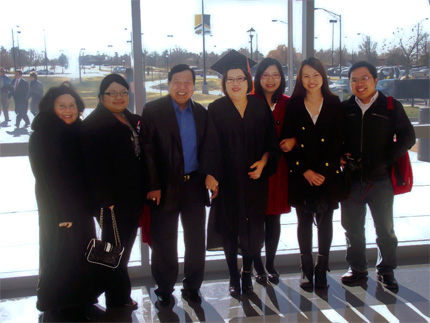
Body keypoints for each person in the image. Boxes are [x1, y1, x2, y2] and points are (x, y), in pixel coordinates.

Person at [202, 50, 280, 296]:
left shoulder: (259, 106)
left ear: (248, 81)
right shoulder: (216, 109)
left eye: (240, 79)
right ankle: (233, 276)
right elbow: (210, 145)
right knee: (229, 229)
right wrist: (211, 175)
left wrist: (264, 163)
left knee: (253, 229)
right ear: (224, 84)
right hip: (227, 182)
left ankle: (247, 273)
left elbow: (271, 143)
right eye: (230, 79)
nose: (235, 84)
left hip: (254, 180)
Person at [340, 61, 415, 290]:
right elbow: (335, 138)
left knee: (385, 229)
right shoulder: (345, 109)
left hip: (381, 178)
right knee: (352, 228)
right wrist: (341, 155)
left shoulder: (390, 106)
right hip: (351, 178)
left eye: (364, 78)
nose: (359, 84)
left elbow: (408, 137)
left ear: (374, 79)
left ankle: (386, 270)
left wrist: (387, 159)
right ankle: (357, 269)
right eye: (354, 80)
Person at [140, 64, 208, 306]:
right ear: (169, 84)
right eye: (177, 82)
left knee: (196, 239)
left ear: (193, 85)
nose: (182, 87)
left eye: (187, 82)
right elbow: (147, 150)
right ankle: (165, 288)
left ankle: (192, 286)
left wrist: (209, 175)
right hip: (164, 187)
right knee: (164, 240)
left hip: (194, 186)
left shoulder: (201, 112)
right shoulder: (153, 110)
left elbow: (207, 150)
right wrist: (153, 185)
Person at [28, 82, 98, 314]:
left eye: (72, 105)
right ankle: (56, 303)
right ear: (51, 108)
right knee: (59, 254)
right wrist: (61, 214)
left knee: (82, 253)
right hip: (57, 208)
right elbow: (46, 179)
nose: (68, 110)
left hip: (81, 207)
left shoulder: (79, 131)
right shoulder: (42, 136)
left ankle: (82, 299)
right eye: (62, 106)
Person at [280, 57, 344, 289]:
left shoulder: (335, 102)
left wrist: (324, 172)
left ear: (323, 77)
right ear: (300, 79)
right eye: (306, 76)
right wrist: (305, 171)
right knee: (304, 222)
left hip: (328, 174)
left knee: (326, 221)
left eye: (316, 75)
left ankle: (322, 267)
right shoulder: (294, 105)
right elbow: (285, 143)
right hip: (301, 173)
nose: (311, 80)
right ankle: (306, 268)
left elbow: (338, 142)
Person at [81, 74, 144, 309]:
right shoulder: (93, 125)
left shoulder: (129, 119)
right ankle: (117, 298)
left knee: (122, 249)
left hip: (131, 197)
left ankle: (109, 292)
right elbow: (91, 167)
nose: (119, 97)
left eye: (123, 92)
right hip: (111, 202)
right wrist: (105, 200)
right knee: (115, 250)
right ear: (101, 97)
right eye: (112, 93)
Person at [251, 57, 292, 285]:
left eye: (275, 75)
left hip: (279, 168)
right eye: (265, 75)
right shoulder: (248, 101)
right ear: (258, 78)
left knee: (273, 217)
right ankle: (257, 266)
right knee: (256, 219)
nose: (270, 79)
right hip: (256, 167)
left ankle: (270, 264)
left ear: (281, 78)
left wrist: (293, 139)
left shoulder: (288, 103)